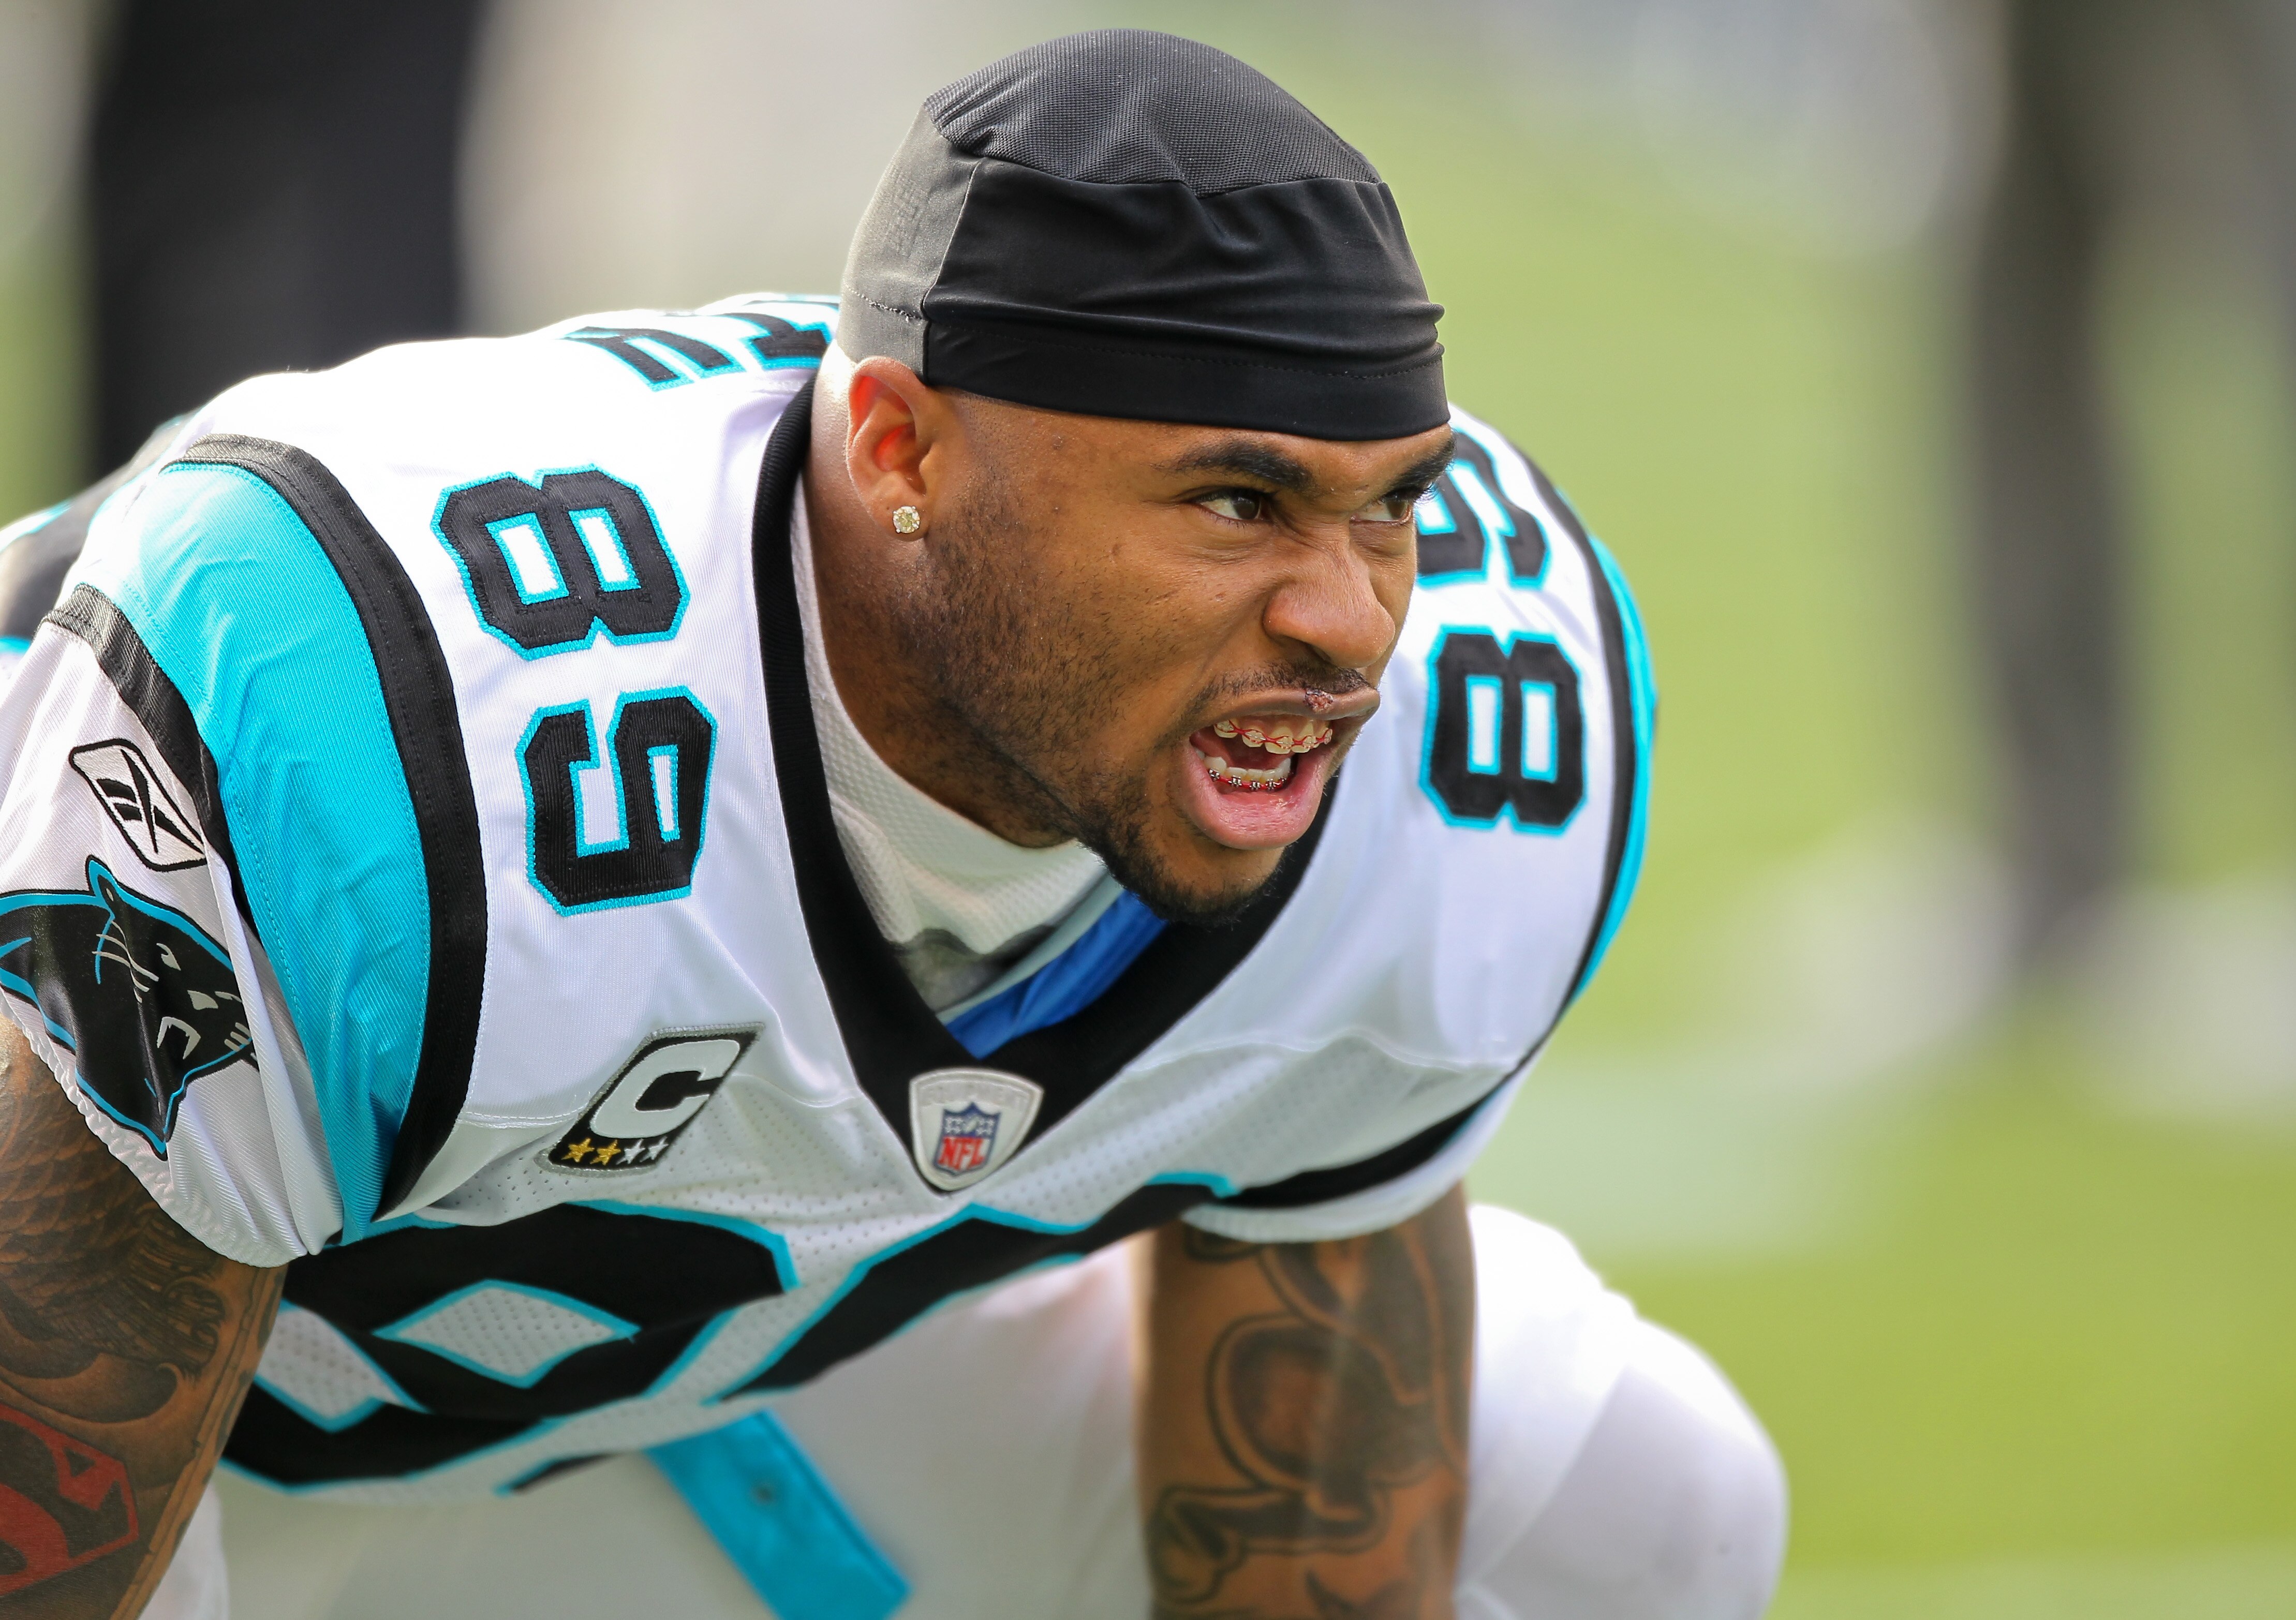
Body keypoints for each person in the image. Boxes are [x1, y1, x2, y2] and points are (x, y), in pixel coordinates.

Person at [0, 31, 1785, 1620]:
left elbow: (1308, 1532)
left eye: (1391, 507)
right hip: (200, 1446)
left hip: (682, 1398)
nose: (1349, 622)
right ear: (900, 452)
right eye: (1234, 500)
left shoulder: (1473, 746)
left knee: (1638, 1494)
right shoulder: (387, 701)